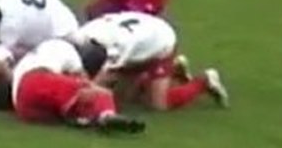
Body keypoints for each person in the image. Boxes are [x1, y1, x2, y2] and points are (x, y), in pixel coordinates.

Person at [0, 38, 146, 133]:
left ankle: (90, 120)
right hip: (37, 81)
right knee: (102, 95)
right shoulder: (67, 50)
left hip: (22, 107)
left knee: (72, 108)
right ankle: (107, 116)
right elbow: (86, 83)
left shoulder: (39, 53)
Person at [70, 11, 229, 110]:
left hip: (160, 44)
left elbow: (98, 82)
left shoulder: (119, 48)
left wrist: (74, 96)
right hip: (141, 36)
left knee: (159, 104)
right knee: (123, 99)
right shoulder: (85, 34)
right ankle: (173, 71)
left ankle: (204, 81)